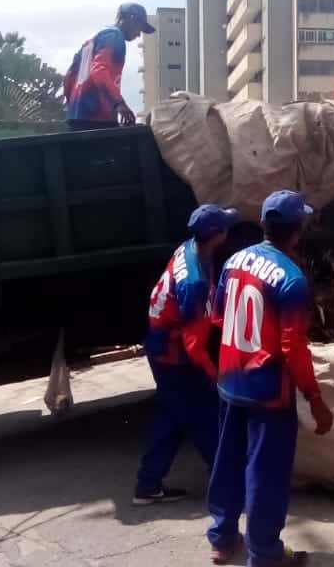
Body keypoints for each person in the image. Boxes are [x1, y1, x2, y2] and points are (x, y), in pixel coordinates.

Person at [206, 190, 334, 566]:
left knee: (227, 460)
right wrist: (314, 398)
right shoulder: (292, 280)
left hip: (230, 383)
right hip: (270, 393)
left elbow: (216, 316)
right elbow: (294, 348)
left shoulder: (232, 261)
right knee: (265, 474)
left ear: (262, 224)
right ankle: (264, 554)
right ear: (298, 230)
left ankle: (222, 536)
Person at [134, 204, 237, 505]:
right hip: (174, 354)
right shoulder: (194, 282)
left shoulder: (190, 248)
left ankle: (148, 485)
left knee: (173, 416)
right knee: (205, 414)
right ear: (217, 235)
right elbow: (193, 345)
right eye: (225, 226)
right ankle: (225, 485)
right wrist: (214, 376)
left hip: (163, 344)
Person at [63, 3, 152, 130]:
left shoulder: (92, 39)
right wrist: (119, 103)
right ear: (131, 18)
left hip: (76, 118)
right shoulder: (114, 36)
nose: (138, 35)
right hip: (98, 117)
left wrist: (72, 105)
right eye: (140, 27)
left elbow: (69, 76)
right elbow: (99, 71)